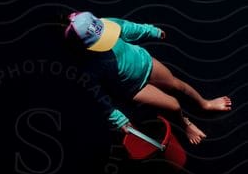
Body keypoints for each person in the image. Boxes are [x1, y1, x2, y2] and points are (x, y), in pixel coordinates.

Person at [64, 11, 231, 146]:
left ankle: (204, 103)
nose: (109, 38)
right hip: (133, 88)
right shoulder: (88, 68)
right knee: (173, 105)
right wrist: (119, 119)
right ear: (84, 47)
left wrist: (151, 31)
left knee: (178, 85)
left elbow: (128, 28)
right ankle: (185, 124)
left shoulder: (106, 24)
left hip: (146, 63)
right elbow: (99, 98)